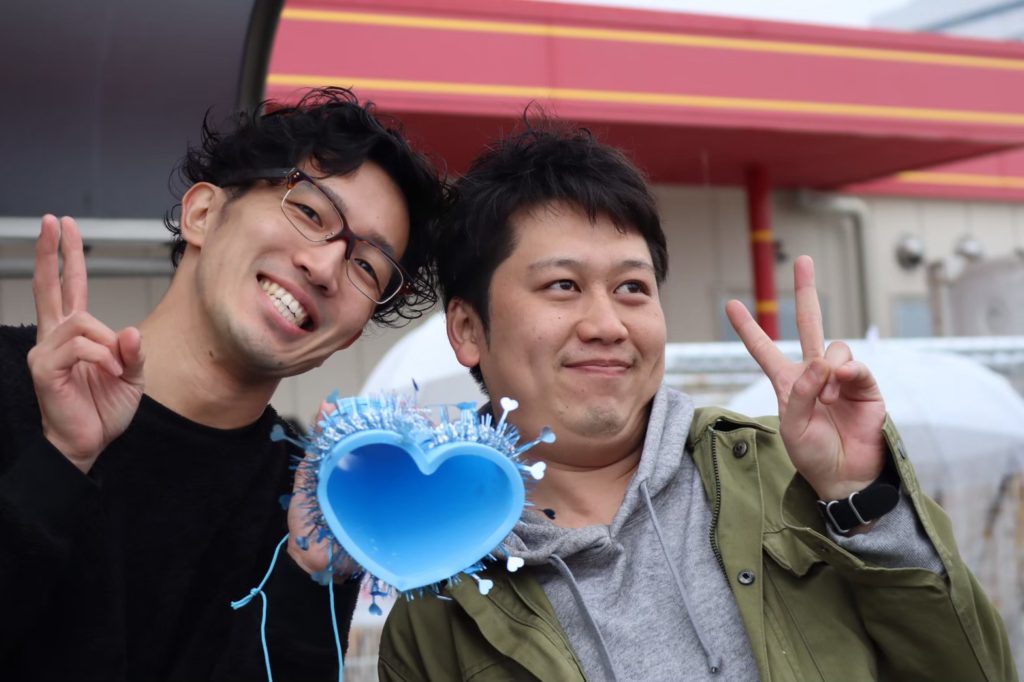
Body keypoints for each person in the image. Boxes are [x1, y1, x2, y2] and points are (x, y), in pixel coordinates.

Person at [377, 120, 1016, 681]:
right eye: (563, 285)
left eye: (632, 287)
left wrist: (863, 501)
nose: (607, 324)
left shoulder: (789, 477)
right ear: (468, 329)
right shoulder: (439, 603)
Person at [0, 87, 448, 681]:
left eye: (367, 266)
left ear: (348, 337)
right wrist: (58, 463)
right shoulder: (17, 381)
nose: (324, 268)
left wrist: (309, 578)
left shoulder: (308, 505)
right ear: (203, 214)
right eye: (311, 213)